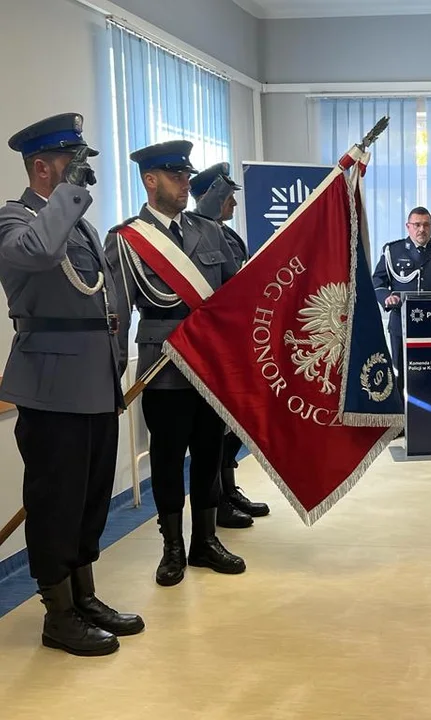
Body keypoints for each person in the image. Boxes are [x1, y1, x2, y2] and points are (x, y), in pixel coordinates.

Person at [0, 113, 143, 656]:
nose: (83, 175)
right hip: (52, 382)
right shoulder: (12, 219)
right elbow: (36, 253)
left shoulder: (75, 223)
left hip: (94, 378)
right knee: (56, 499)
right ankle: (58, 614)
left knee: (89, 498)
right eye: (70, 163)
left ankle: (84, 596)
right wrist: (69, 193)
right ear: (42, 168)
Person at [104, 140, 245, 588]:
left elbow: (231, 300)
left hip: (210, 368)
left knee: (208, 453)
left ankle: (204, 541)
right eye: (174, 176)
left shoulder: (209, 231)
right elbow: (118, 315)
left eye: (186, 175)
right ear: (150, 181)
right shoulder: (127, 239)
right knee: (167, 460)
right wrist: (110, 376)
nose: (185, 183)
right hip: (163, 367)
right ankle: (172, 547)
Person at [188, 162, 271, 530]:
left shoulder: (230, 237)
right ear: (210, 198)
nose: (234, 204)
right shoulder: (192, 235)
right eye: (228, 196)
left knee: (235, 423)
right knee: (215, 428)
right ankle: (217, 499)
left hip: (239, 341)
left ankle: (229, 486)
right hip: (213, 348)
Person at [371, 207, 431, 398]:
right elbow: (378, 281)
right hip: (402, 324)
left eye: (426, 225)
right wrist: (387, 298)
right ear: (408, 227)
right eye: (417, 225)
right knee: (401, 374)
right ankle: (402, 423)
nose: (421, 229)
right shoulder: (393, 251)